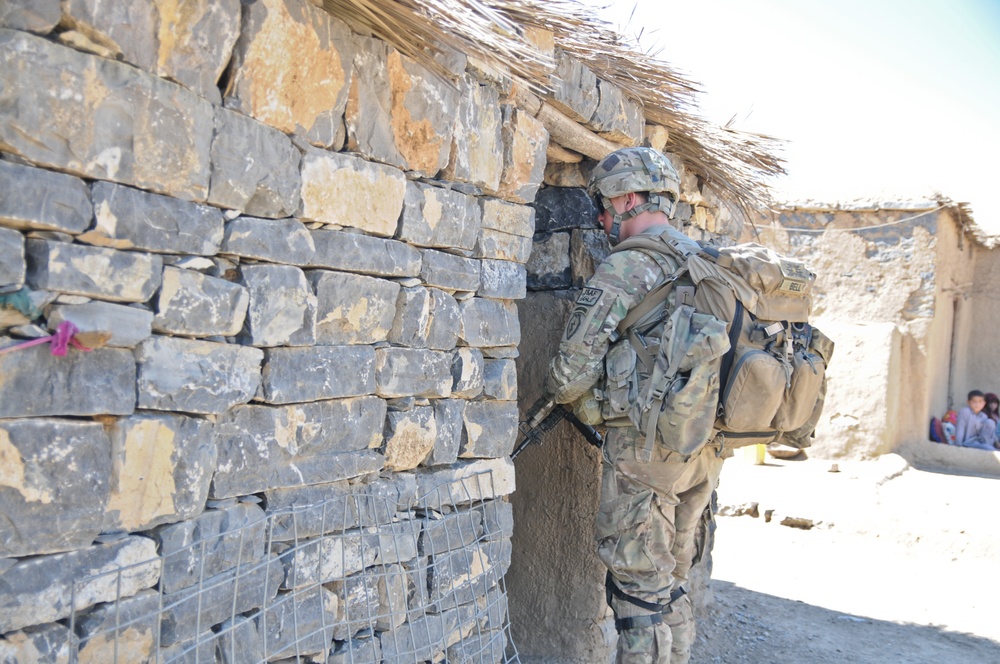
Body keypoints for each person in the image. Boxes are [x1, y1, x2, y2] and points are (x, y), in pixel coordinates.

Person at [540, 146, 730, 664]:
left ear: (627, 199)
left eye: (603, 205)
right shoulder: (705, 262)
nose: (601, 219)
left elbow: (570, 373)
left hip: (646, 454)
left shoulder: (626, 267)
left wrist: (588, 407)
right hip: (703, 450)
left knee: (635, 592)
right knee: (670, 578)